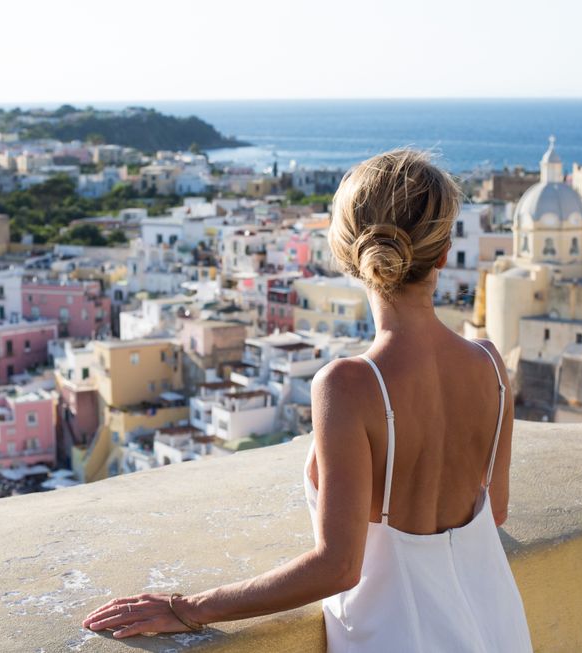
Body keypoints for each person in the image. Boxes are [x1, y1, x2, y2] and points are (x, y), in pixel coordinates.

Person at [83, 149, 533, 651]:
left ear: (346, 254)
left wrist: (187, 608)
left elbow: (338, 567)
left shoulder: (348, 385)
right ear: (446, 251)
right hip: (495, 628)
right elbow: (493, 513)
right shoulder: (490, 366)